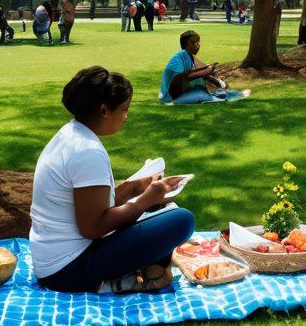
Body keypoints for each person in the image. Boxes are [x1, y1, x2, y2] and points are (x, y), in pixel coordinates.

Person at [31, 67, 194, 293]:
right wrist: (146, 200)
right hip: (69, 270)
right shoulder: (87, 151)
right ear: (105, 110)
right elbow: (93, 226)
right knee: (181, 220)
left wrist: (134, 188)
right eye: (124, 109)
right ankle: (130, 279)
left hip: (51, 262)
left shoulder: (70, 134)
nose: (126, 117)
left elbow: (88, 206)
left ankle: (149, 270)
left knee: (161, 212)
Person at [160, 30, 247, 104]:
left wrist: (215, 80)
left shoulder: (188, 55)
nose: (198, 45)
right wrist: (206, 72)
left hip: (179, 91)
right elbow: (184, 77)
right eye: (194, 43)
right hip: (170, 95)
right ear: (186, 45)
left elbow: (202, 68)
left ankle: (224, 93)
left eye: (198, 42)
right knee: (205, 94)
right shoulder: (181, 57)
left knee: (206, 86)